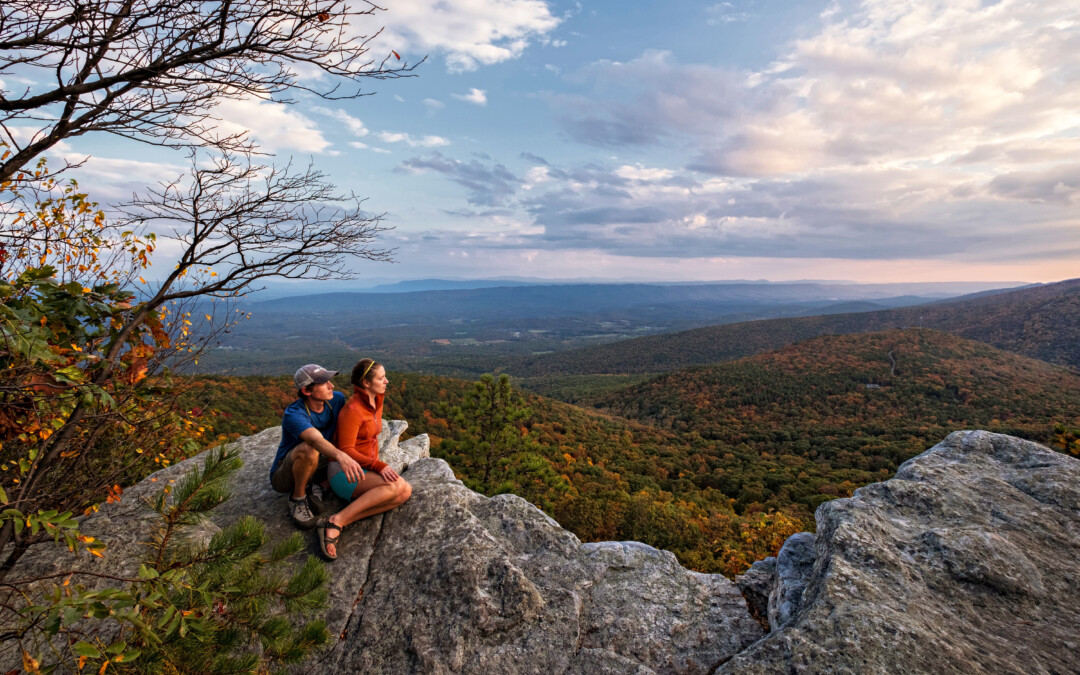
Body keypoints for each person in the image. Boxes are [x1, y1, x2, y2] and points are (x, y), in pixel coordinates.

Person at [317, 358, 412, 560]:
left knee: (405, 492)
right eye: (381, 378)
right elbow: (345, 450)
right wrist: (377, 465)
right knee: (395, 487)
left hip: (364, 469)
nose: (386, 381)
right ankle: (335, 521)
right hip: (344, 471)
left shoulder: (377, 399)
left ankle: (344, 520)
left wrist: (374, 466)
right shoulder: (352, 411)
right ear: (366, 383)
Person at [269, 364, 365, 529]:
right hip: (286, 474)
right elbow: (315, 440)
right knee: (309, 449)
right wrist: (342, 457)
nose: (331, 386)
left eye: (329, 381)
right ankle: (297, 498)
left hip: (320, 464)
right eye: (324, 383)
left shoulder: (337, 399)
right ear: (307, 391)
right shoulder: (294, 414)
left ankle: (319, 485)